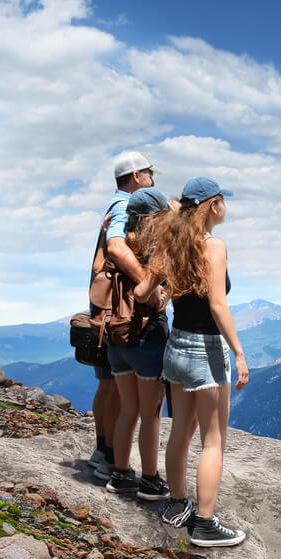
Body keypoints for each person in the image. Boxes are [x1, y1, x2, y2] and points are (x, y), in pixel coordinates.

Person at [134, 177, 249, 547]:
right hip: (206, 350)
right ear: (213, 206)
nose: (225, 208)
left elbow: (140, 292)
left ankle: (176, 504)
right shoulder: (214, 247)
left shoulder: (170, 244)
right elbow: (217, 304)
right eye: (222, 202)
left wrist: (164, 289)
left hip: (176, 347)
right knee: (213, 441)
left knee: (180, 431)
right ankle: (205, 523)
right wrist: (239, 352)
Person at [90, 152, 159, 481]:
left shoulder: (113, 205)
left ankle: (102, 452)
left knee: (108, 383)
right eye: (148, 173)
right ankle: (111, 460)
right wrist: (147, 281)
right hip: (122, 312)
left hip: (104, 309)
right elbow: (116, 247)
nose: (152, 179)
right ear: (135, 175)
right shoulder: (125, 207)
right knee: (121, 388)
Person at [104, 187, 175, 501]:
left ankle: (120, 475)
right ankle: (149, 480)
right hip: (148, 335)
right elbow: (157, 294)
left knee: (128, 410)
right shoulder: (154, 249)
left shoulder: (117, 246)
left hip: (115, 335)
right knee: (151, 414)